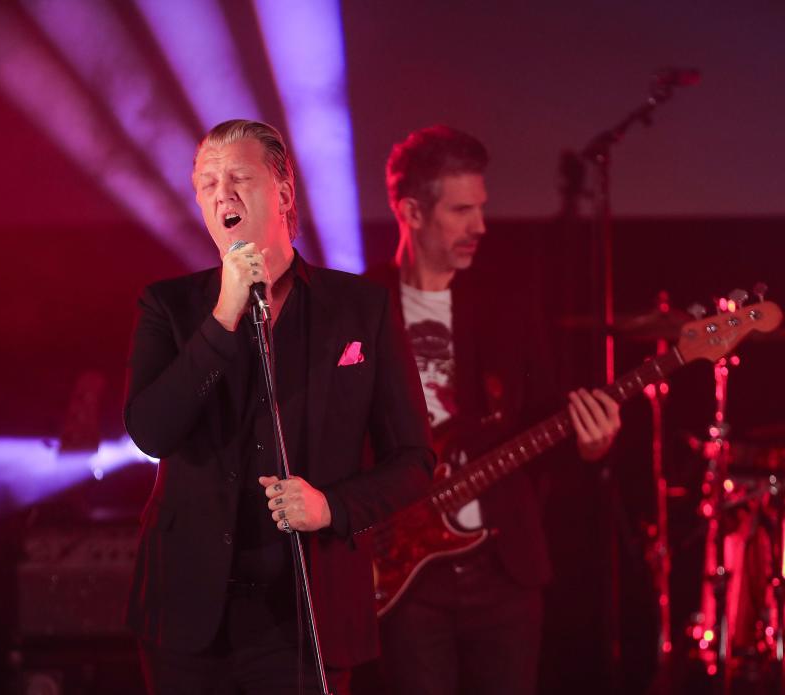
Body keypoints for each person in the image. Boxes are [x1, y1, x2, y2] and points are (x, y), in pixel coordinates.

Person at [123, 119, 434, 695]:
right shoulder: (170, 306)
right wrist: (223, 317)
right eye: (207, 183)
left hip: (304, 613)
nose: (223, 194)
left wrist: (331, 507)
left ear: (285, 193)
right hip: (189, 617)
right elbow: (151, 431)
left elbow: (414, 460)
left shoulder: (358, 309)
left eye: (239, 178)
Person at [363, 125, 622, 695]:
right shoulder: (358, 310)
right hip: (406, 578)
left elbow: (542, 427)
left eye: (481, 207)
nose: (480, 226)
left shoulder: (509, 304)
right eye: (461, 211)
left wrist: (589, 447)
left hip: (505, 571)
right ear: (411, 211)